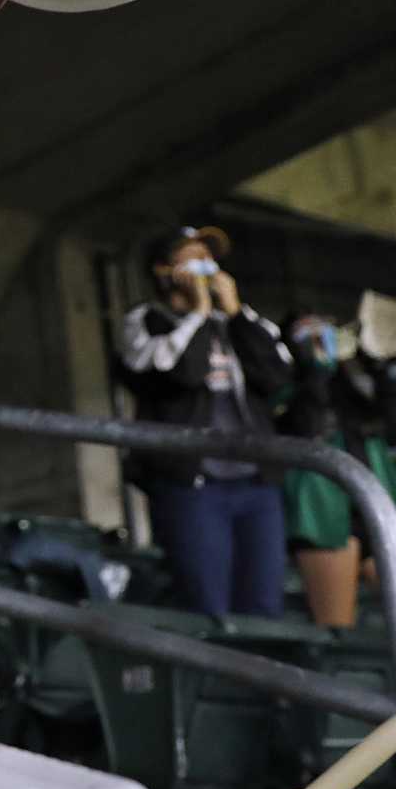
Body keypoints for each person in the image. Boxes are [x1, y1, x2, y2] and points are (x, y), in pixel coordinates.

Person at [115, 225, 292, 618]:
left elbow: (277, 377)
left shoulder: (239, 322)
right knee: (207, 605)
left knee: (265, 606)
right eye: (191, 257)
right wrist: (197, 312)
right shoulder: (146, 320)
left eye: (208, 257)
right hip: (192, 488)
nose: (205, 266)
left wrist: (234, 311)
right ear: (164, 270)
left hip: (256, 484)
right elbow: (181, 374)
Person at [273, 312, 396, 632]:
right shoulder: (288, 388)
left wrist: (380, 368)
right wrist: (315, 372)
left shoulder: (354, 390)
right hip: (325, 517)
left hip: (378, 511)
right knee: (336, 628)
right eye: (308, 334)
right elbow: (307, 426)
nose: (321, 339)